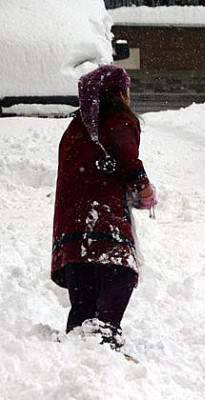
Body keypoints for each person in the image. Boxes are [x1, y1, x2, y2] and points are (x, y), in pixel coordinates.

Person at [51, 65, 157, 349]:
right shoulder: (119, 119)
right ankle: (104, 335)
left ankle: (79, 349)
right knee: (120, 271)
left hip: (72, 226)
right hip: (103, 218)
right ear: (118, 92)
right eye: (126, 90)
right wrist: (144, 188)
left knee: (83, 296)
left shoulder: (75, 128)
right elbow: (126, 158)